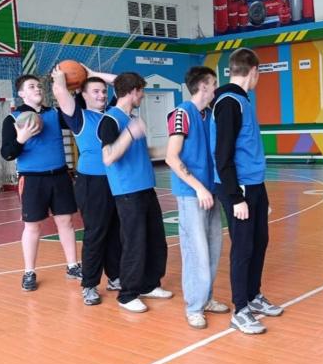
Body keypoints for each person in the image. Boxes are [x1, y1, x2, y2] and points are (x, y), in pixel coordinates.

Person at [211, 48, 283, 335]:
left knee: (259, 241)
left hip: (253, 185)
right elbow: (223, 155)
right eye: (258, 74)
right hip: (237, 188)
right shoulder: (229, 103)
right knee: (242, 247)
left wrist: (260, 193)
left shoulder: (242, 100)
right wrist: (236, 197)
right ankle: (240, 309)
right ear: (254, 71)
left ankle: (253, 296)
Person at [0, 74, 80, 292]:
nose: (37, 89)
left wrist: (72, 88)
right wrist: (21, 138)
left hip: (60, 176)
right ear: (21, 93)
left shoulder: (54, 114)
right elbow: (7, 153)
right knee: (33, 226)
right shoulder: (13, 119)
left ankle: (73, 266)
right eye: (31, 86)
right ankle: (29, 272)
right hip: (33, 180)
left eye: (39, 86)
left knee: (66, 222)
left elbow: (75, 113)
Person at [100, 72, 172, 313]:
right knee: (135, 243)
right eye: (141, 91)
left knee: (155, 240)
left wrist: (171, 149)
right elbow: (109, 157)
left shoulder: (132, 118)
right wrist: (129, 133)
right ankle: (127, 294)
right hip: (127, 191)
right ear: (133, 92)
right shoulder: (111, 120)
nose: (143, 96)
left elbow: (141, 152)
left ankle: (149, 284)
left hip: (146, 187)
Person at [165, 66, 230, 329]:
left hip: (211, 191)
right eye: (213, 83)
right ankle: (194, 306)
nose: (216, 88)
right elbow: (171, 157)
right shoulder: (182, 113)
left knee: (213, 248)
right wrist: (199, 188)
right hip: (192, 194)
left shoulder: (210, 114)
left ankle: (206, 298)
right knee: (196, 251)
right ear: (203, 86)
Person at [51, 66, 122, 306]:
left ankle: (115, 277)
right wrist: (60, 77)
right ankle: (89, 285)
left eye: (103, 91)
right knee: (96, 233)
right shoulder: (79, 116)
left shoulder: (112, 113)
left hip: (116, 180)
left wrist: (92, 73)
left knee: (116, 231)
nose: (101, 95)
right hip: (92, 182)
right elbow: (60, 91)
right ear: (83, 94)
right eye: (95, 91)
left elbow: (123, 83)